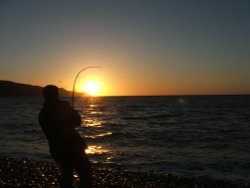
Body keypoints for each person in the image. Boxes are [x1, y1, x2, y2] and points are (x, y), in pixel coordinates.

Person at [39, 85, 92, 188]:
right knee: (85, 174)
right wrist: (70, 111)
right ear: (56, 95)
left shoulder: (42, 114)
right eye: (56, 93)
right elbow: (77, 122)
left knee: (67, 175)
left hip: (57, 150)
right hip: (73, 147)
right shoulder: (63, 106)